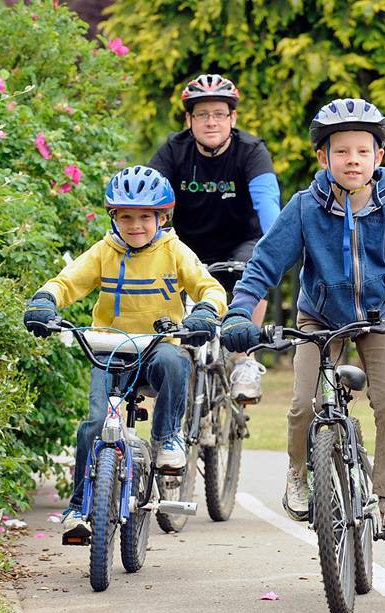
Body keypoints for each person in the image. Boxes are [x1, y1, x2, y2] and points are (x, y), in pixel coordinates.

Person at [218, 98, 385, 531]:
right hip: (319, 319)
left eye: (362, 151)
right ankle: (298, 474)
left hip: (382, 317)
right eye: (341, 151)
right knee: (304, 403)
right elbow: (264, 263)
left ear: (378, 156)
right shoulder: (306, 207)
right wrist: (239, 311)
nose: (352, 160)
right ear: (323, 157)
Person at [23, 165, 227, 537]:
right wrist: (44, 301)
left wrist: (206, 310)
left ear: (162, 217)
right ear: (114, 217)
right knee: (94, 425)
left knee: (175, 361)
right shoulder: (105, 251)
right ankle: (78, 508)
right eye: (126, 217)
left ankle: (167, 438)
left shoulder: (174, 251)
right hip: (110, 349)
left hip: (156, 350)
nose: (135, 225)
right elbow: (68, 281)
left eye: (145, 217)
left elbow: (208, 287)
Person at [149, 73, 280, 404]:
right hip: (187, 248)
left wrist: (277, 245)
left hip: (240, 245)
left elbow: (268, 207)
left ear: (232, 118)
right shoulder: (174, 151)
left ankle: (245, 359)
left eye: (219, 114)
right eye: (202, 114)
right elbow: (148, 202)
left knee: (256, 265)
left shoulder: (251, 151)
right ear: (189, 119)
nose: (211, 122)